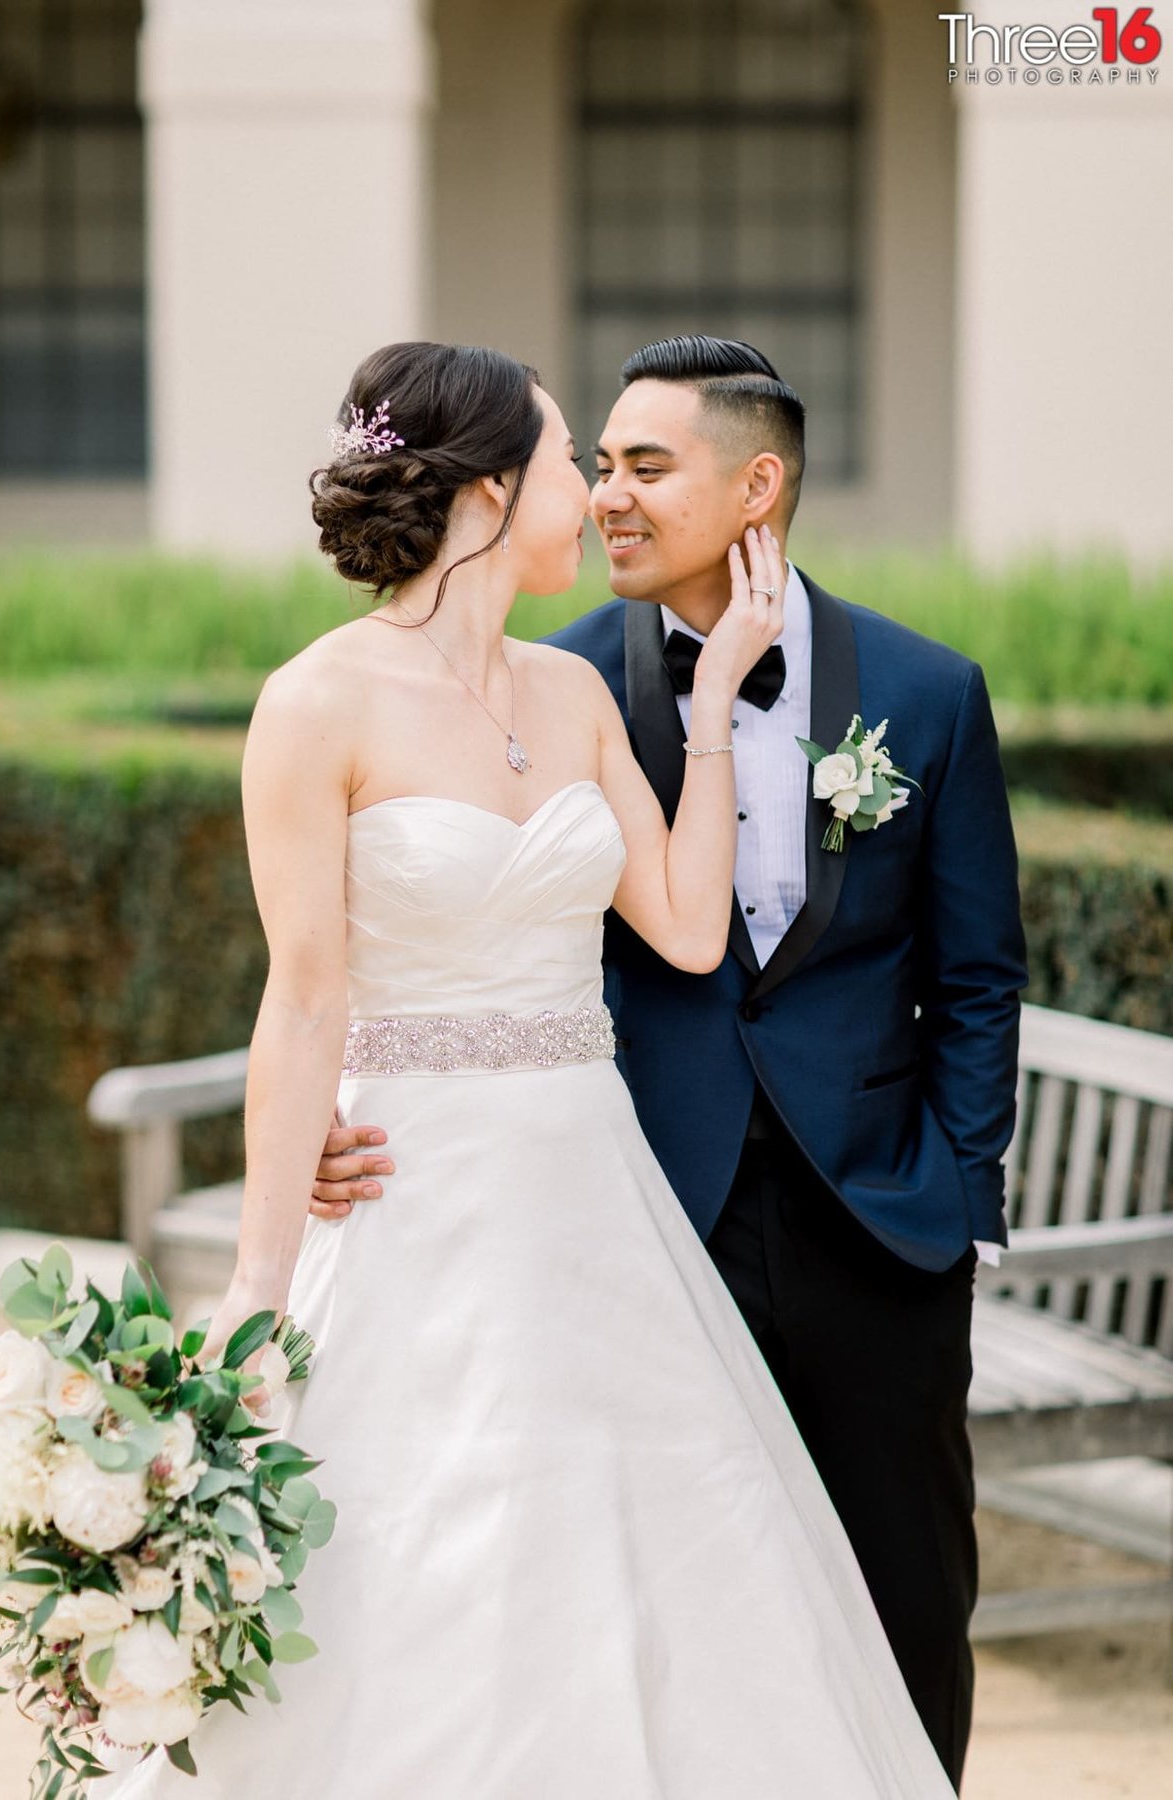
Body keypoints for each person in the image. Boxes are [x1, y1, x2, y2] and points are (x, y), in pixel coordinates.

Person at [103, 341, 952, 1798]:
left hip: (589, 1201)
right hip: (416, 1199)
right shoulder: (317, 705)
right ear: (493, 495)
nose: (593, 494)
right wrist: (256, 1282)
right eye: (571, 462)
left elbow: (688, 929)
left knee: (655, 1550)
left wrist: (717, 704)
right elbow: (303, 1001)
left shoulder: (569, 705)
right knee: (431, 1555)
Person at [312, 336, 1029, 1791]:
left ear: (756, 484)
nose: (609, 495)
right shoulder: (551, 686)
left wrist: (956, 1191)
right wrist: (346, 1105)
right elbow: (391, 936)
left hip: (880, 1224)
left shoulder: (928, 689)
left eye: (646, 466)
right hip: (637, 1219)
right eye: (599, 466)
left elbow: (978, 976)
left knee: (902, 1599)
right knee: (659, 1611)